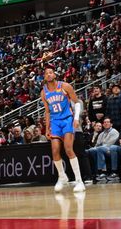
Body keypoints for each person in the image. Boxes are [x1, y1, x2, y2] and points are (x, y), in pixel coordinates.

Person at [41, 65, 85, 193]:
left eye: (51, 72)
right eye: (46, 73)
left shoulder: (65, 86)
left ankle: (79, 181)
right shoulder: (44, 92)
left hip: (67, 119)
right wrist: (47, 128)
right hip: (55, 122)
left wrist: (76, 118)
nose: (49, 74)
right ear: (44, 77)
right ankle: (62, 177)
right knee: (55, 151)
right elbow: (47, 111)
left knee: (68, 149)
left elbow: (77, 102)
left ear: (54, 75)